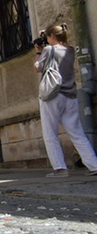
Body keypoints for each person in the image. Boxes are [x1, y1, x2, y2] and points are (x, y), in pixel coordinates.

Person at [34, 23, 97, 177]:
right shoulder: (70, 50)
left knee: (50, 133)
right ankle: (94, 165)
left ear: (52, 37)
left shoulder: (49, 50)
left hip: (52, 95)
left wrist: (38, 51)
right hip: (70, 95)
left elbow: (37, 67)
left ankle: (60, 169)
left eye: (48, 37)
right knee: (77, 133)